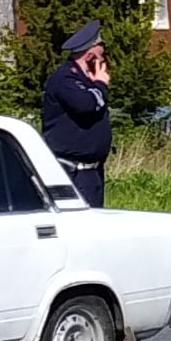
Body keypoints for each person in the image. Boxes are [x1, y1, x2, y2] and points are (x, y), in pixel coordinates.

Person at [41, 19, 113, 207]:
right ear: (90, 52)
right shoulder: (64, 78)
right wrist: (100, 85)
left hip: (93, 173)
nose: (104, 52)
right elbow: (85, 105)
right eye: (101, 46)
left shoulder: (87, 79)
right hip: (72, 173)